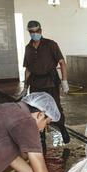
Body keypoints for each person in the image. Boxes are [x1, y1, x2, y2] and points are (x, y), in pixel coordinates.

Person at [21, 20, 70, 148]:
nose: (34, 34)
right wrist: (25, 87)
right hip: (36, 84)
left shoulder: (51, 45)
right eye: (32, 32)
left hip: (50, 83)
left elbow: (62, 62)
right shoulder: (28, 48)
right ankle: (41, 138)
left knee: (56, 108)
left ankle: (62, 128)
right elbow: (28, 69)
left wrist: (64, 81)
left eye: (37, 31)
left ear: (41, 31)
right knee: (36, 111)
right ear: (29, 32)